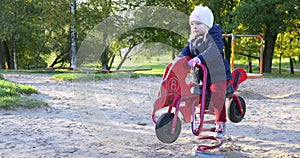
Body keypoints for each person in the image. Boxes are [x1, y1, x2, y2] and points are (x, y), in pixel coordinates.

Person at [178, 6, 232, 138]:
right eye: (192, 24)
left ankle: (220, 122)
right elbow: (187, 50)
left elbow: (214, 50)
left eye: (198, 23)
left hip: (217, 75)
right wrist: (179, 59)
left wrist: (198, 59)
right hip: (201, 76)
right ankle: (193, 115)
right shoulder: (193, 38)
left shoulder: (214, 36)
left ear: (208, 25)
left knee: (217, 95)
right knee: (189, 91)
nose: (194, 27)